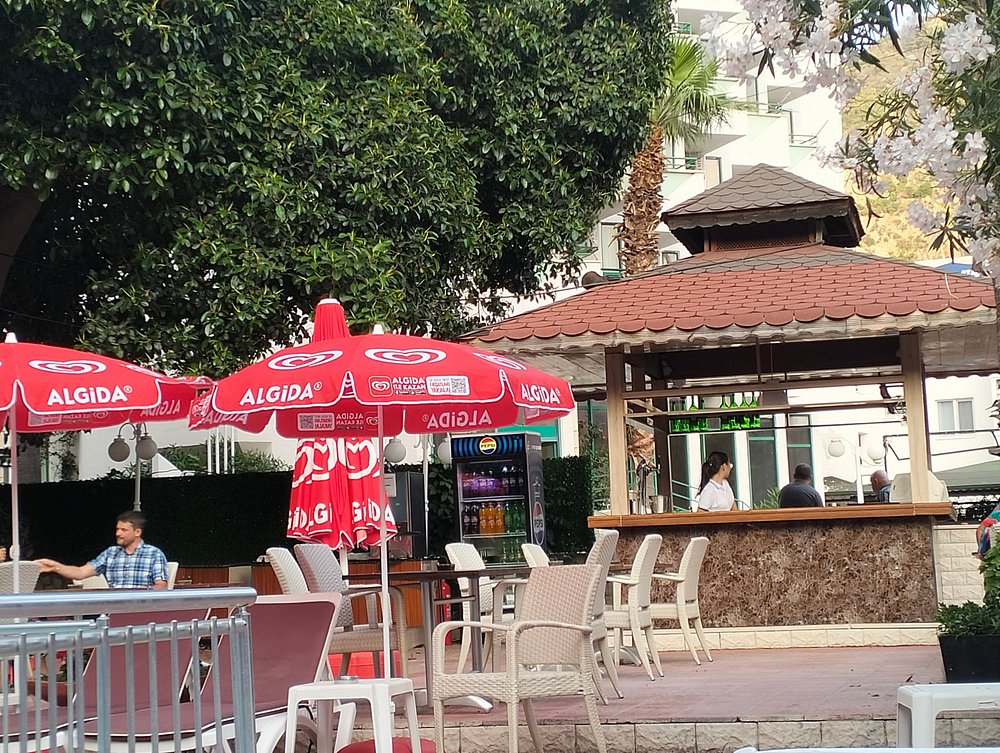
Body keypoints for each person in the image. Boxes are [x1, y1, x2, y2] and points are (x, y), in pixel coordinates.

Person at [36, 511, 168, 589]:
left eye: (123, 530)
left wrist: (141, 593)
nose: (118, 533)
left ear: (137, 532)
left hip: (143, 609)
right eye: (117, 529)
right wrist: (55, 567)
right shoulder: (111, 553)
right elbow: (80, 572)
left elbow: (161, 586)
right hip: (114, 610)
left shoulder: (154, 554)